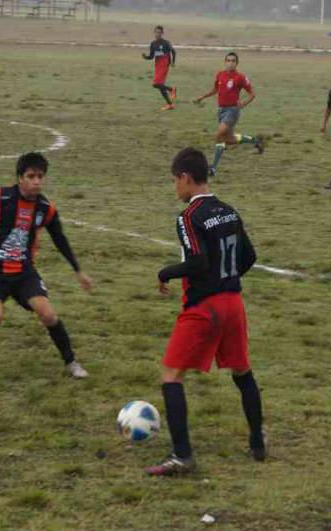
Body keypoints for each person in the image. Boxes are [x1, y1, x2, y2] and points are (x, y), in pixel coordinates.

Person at [145, 147, 265, 476]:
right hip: (233, 303)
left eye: (174, 181)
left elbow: (197, 262)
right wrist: (227, 278)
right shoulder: (228, 211)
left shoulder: (189, 217)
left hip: (205, 307)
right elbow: (249, 257)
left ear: (186, 178)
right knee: (243, 372)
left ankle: (182, 456)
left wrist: (165, 273)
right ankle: (257, 442)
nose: (175, 188)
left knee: (171, 375)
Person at [0, 152, 93, 378]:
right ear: (20, 178)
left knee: (48, 314)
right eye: (31, 176)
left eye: (40, 176)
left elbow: (60, 239)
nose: (36, 181)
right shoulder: (0, 198)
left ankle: (71, 362)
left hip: (24, 273)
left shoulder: (46, 209)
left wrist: (78, 271)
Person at [192, 52, 264, 177]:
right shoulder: (220, 75)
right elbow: (215, 90)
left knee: (219, 135)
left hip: (232, 111)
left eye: (233, 61)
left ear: (237, 63)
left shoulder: (240, 77)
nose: (230, 63)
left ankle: (213, 167)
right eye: (228, 60)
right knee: (229, 140)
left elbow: (252, 94)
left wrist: (244, 104)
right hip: (221, 110)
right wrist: (202, 97)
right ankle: (255, 141)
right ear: (225, 62)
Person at [142, 25, 177, 111]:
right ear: (154, 33)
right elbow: (151, 56)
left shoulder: (166, 43)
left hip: (165, 64)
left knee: (155, 84)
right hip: (157, 65)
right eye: (156, 32)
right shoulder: (153, 44)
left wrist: (173, 62)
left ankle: (172, 89)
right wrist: (145, 57)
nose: (157, 34)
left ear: (162, 33)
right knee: (160, 86)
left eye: (159, 32)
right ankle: (170, 104)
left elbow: (173, 52)